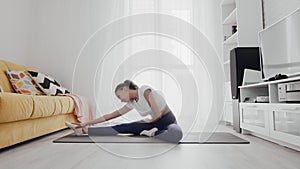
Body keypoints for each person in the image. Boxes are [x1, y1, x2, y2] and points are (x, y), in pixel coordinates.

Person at [66, 80, 183, 143]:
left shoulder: (144, 90)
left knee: (177, 134)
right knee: (121, 127)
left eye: (119, 96)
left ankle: (152, 133)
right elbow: (110, 115)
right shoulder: (132, 103)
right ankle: (84, 130)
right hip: (150, 124)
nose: (121, 100)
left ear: (125, 89)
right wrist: (86, 123)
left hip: (167, 121)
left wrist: (149, 122)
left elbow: (157, 114)